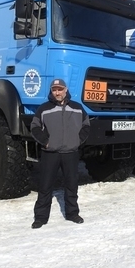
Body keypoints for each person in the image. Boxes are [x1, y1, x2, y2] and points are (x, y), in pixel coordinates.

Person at [30, 78, 90, 229]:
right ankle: (41, 217)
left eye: (60, 89)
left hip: (71, 152)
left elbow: (86, 125)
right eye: (54, 90)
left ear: (65, 90)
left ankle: (72, 213)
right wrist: (46, 141)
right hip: (50, 153)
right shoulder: (43, 109)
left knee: (71, 185)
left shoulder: (77, 108)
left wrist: (77, 141)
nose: (57, 92)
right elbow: (35, 127)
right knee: (45, 186)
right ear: (51, 91)